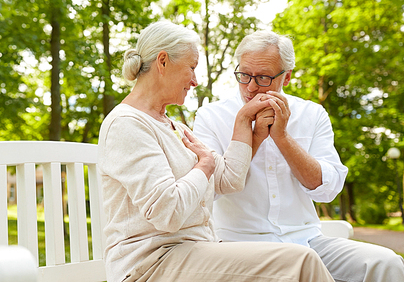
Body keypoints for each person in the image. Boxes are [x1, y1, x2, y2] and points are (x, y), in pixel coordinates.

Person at [98, 21, 335, 282]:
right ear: (163, 62)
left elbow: (228, 180)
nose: (195, 81)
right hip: (151, 263)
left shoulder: (173, 126)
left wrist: (247, 125)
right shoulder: (127, 124)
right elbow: (168, 212)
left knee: (298, 259)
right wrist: (204, 166)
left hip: (193, 252)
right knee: (300, 261)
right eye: (191, 67)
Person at [193, 30, 404, 282]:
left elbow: (327, 189)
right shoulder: (211, 116)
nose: (250, 86)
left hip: (307, 240)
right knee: (296, 264)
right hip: (238, 243)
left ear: (287, 77)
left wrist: (282, 137)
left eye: (262, 77)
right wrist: (254, 136)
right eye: (244, 75)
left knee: (387, 263)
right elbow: (212, 189)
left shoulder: (312, 115)